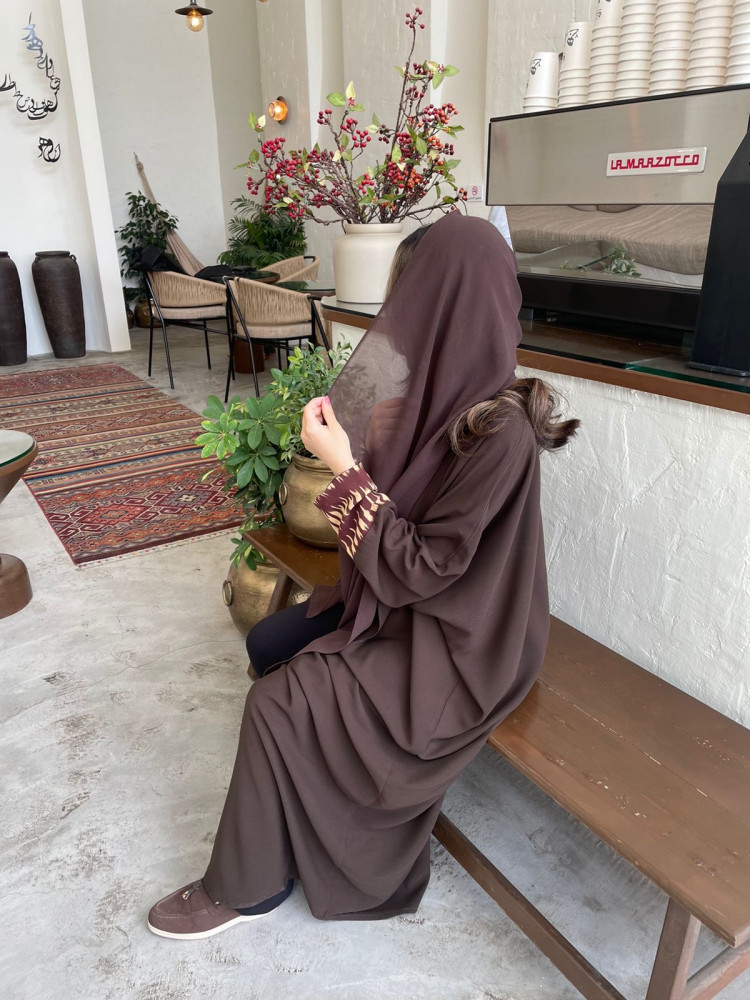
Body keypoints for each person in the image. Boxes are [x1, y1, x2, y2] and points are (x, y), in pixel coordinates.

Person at [147, 212, 579, 939]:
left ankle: (247, 886)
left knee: (276, 705)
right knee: (269, 642)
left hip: (465, 641)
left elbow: (420, 569)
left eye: (412, 299)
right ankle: (299, 793)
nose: (397, 320)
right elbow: (393, 531)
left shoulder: (499, 431)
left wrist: (346, 468)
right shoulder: (441, 398)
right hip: (409, 603)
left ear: (448, 307)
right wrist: (369, 444)